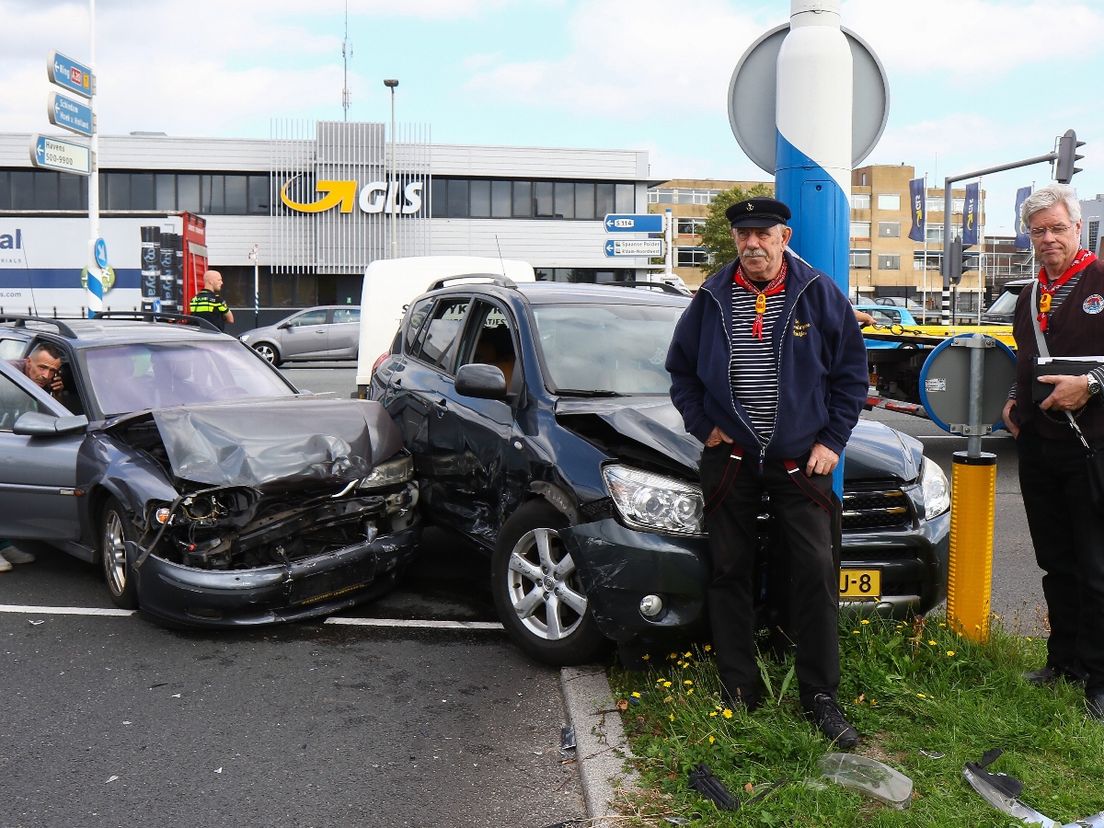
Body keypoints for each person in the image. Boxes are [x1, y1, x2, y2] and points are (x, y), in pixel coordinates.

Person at [666, 197, 868, 748]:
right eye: (743, 235)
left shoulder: (817, 292)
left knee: (815, 573)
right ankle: (739, 687)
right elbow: (680, 371)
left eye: (763, 234)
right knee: (729, 570)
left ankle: (820, 696)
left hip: (801, 463)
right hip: (730, 460)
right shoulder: (710, 296)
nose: (752, 244)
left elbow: (852, 376)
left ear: (784, 236)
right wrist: (703, 425)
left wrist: (832, 441)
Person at [1000, 183, 1104, 720]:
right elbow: (1027, 357)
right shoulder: (1029, 292)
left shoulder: (1100, 280)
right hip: (1040, 448)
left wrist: (1092, 383)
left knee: (1095, 565)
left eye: (1057, 228)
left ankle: (1099, 678)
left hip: (1093, 448)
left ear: (1078, 228)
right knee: (1055, 562)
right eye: (1038, 231)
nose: (1048, 238)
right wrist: (1015, 401)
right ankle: (1062, 660)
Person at [0, 342, 64, 571]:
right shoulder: (8, 377)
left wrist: (55, 394)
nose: (46, 375)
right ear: (29, 362)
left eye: (53, 371)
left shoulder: (42, 384)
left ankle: (4, 543)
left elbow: (53, 419)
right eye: (42, 367)